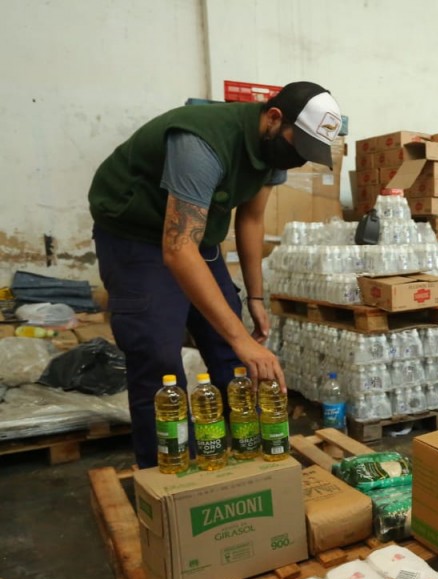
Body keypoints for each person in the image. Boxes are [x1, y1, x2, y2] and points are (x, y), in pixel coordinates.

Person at [88, 81, 343, 468]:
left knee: (232, 357)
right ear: (274, 118)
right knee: (158, 357)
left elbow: (251, 219)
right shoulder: (201, 143)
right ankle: (168, 479)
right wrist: (242, 339)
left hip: (195, 236)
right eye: (297, 146)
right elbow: (178, 250)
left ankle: (245, 459)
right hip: (135, 235)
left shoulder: (274, 150)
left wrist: (255, 298)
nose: (297, 159)